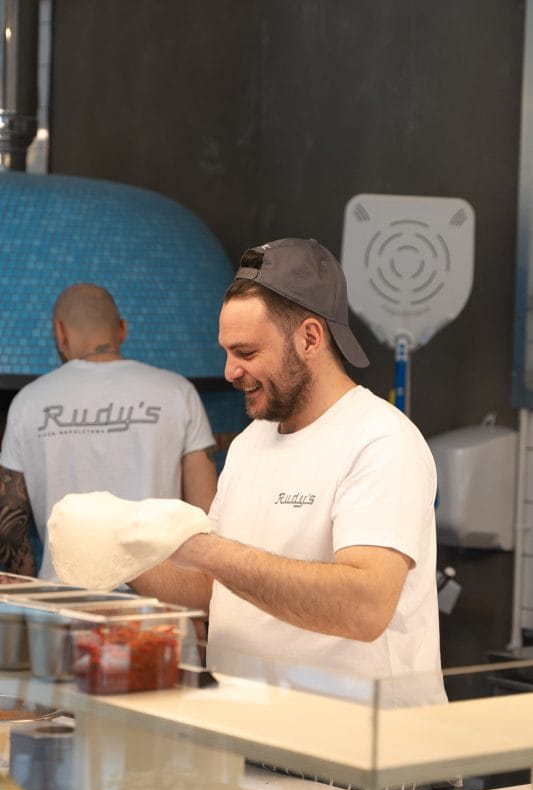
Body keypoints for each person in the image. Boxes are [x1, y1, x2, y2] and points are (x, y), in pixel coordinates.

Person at [131, 237, 448, 711]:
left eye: (246, 352)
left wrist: (210, 551)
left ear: (310, 338)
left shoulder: (381, 441)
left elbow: (365, 606)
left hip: (363, 765)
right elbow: (214, 587)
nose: (230, 371)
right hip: (257, 745)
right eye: (227, 352)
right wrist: (124, 550)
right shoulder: (247, 446)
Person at [0, 283, 218, 580]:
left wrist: (26, 603)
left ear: (60, 332)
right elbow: (207, 515)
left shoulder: (27, 402)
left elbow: (11, 524)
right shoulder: (177, 392)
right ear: (122, 330)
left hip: (63, 602)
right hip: (161, 606)